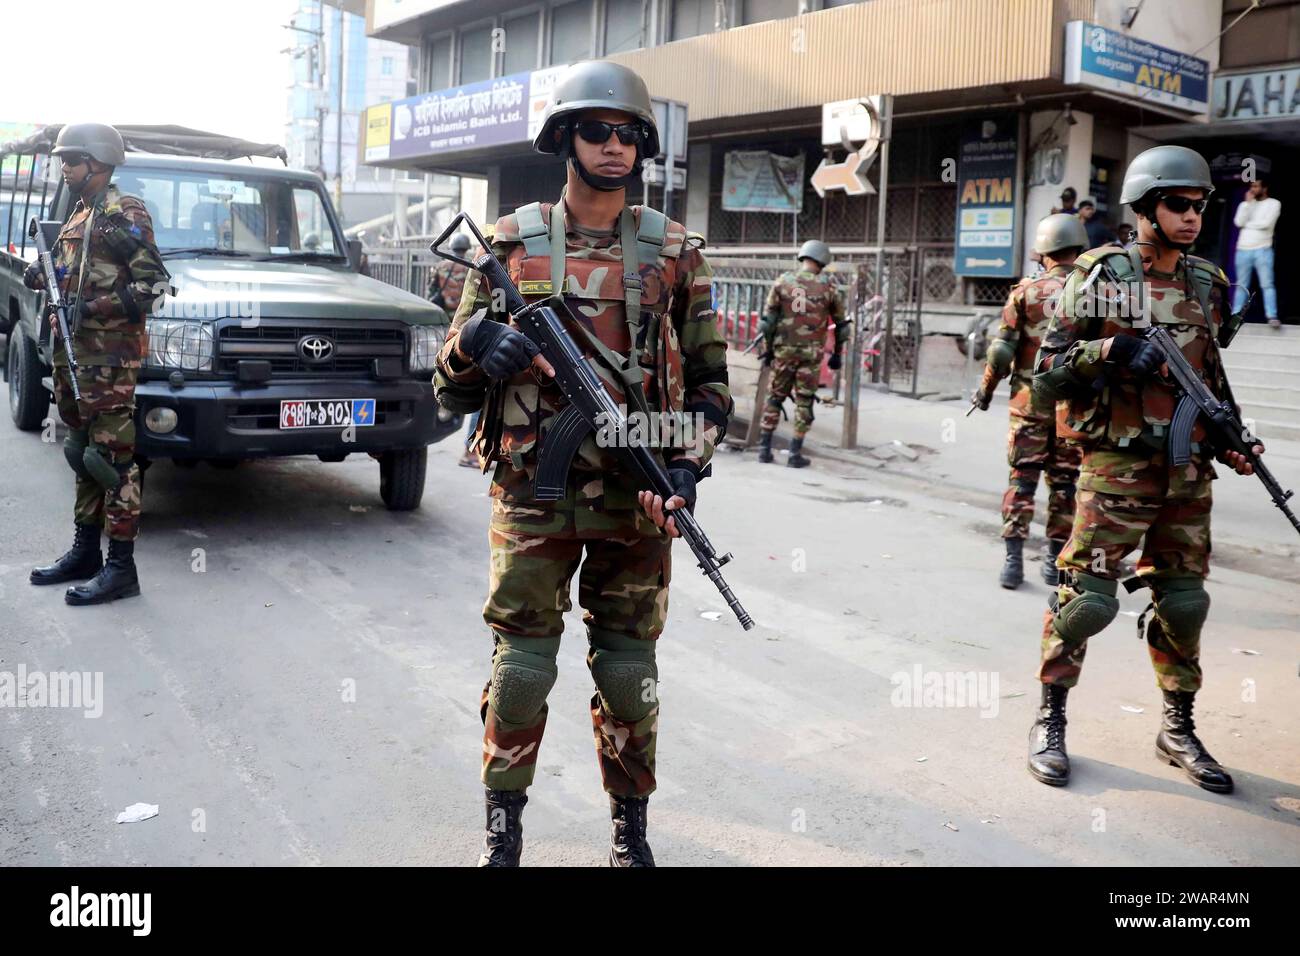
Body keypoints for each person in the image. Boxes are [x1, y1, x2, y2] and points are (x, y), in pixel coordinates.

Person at [431, 60, 732, 867]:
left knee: (630, 674)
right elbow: (448, 389)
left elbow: (711, 389)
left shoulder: (675, 252)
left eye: (627, 132)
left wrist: (686, 470)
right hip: (533, 494)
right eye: (596, 129)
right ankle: (504, 832)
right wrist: (479, 346)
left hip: (639, 503)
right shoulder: (508, 244)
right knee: (523, 668)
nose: (613, 145)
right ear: (564, 137)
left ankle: (629, 835)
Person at [1029, 144, 1264, 794]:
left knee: (1184, 604)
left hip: (1185, 474)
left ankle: (1177, 726)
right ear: (1144, 208)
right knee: (1086, 605)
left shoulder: (1206, 284)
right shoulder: (1101, 274)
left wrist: (1231, 439)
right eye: (1178, 204)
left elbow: (1210, 377)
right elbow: (1044, 376)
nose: (1192, 216)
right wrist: (1106, 351)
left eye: (1200, 205)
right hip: (1115, 472)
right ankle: (1050, 718)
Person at [22, 123, 169, 605]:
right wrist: (45, 276)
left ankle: (121, 568)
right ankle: (85, 552)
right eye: (63, 160)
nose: (64, 168)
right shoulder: (79, 214)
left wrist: (93, 309)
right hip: (73, 357)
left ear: (99, 162)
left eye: (72, 160)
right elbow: (74, 274)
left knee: (112, 462)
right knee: (81, 453)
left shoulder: (120, 214)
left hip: (108, 361)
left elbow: (156, 287)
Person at [972, 214, 1086, 589]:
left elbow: (1001, 353)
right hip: (1073, 411)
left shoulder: (1025, 292)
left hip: (1029, 406)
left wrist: (985, 392)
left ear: (1044, 250)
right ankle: (1054, 561)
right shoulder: (1093, 293)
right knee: (1066, 484)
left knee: (1022, 481)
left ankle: (1013, 562)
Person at [754, 240, 847, 468]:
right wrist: (837, 354)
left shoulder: (783, 282)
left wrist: (767, 351)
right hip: (810, 356)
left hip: (783, 352)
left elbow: (767, 323)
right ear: (823, 260)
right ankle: (794, 453)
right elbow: (842, 326)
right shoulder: (829, 287)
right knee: (804, 401)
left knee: (775, 397)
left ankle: (764, 450)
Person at [427, 233, 479, 467]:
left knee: (444, 367)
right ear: (466, 247)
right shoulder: (473, 266)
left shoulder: (440, 266)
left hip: (445, 325)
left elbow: (430, 294)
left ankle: (444, 402)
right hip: (466, 328)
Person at [1232, 175, 1281, 329]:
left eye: (1256, 186)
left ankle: (1272, 316)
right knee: (1241, 284)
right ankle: (1234, 317)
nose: (1252, 190)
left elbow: (1266, 224)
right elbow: (1238, 222)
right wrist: (1247, 205)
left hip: (1263, 249)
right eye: (1251, 187)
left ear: (1264, 188)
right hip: (1243, 249)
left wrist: (1248, 225)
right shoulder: (1245, 205)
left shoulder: (1274, 203)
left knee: (1267, 284)